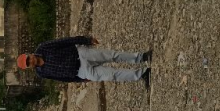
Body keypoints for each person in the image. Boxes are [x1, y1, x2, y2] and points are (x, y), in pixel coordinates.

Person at [16, 36, 151, 85]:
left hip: (81, 54)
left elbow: (64, 41)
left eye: (28, 59)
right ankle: (141, 74)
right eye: (28, 64)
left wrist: (86, 40)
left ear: (29, 54)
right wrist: (80, 80)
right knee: (112, 75)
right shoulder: (41, 73)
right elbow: (61, 78)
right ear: (29, 67)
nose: (30, 61)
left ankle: (140, 57)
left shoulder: (43, 47)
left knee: (112, 56)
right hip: (81, 72)